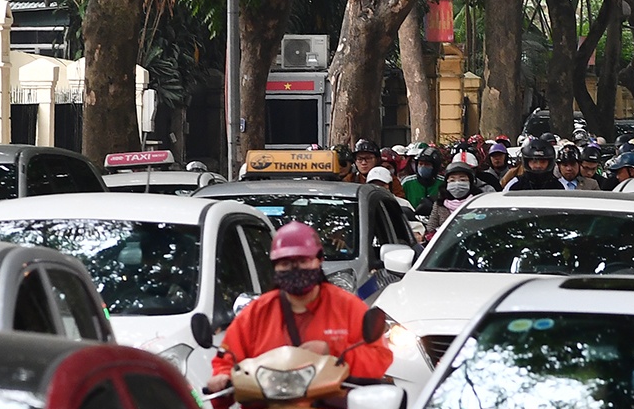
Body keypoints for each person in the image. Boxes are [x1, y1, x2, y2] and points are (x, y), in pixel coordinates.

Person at [207, 222, 393, 391]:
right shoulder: (257, 313)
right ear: (275, 266)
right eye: (286, 263)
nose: (295, 269)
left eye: (303, 261)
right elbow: (226, 358)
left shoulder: (348, 307)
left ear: (319, 260)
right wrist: (222, 377)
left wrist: (332, 351)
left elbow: (379, 359)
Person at [426, 160, 482, 236]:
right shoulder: (440, 204)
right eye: (452, 180)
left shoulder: (478, 203)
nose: (457, 184)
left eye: (462, 180)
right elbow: (430, 229)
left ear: (471, 183)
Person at [402, 148, 445, 212]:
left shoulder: (442, 182)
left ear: (435, 167)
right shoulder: (407, 182)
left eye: (427, 164)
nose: (423, 167)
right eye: (420, 164)